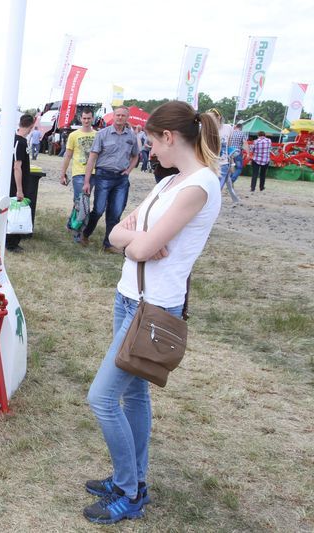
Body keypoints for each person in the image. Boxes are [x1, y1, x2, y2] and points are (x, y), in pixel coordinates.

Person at [84, 101, 222, 524]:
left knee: (102, 398)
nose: (149, 152)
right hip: (129, 296)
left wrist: (134, 239)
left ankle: (129, 490)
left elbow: (136, 243)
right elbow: (115, 233)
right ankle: (133, 481)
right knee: (132, 393)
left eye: (150, 142)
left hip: (154, 306)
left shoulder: (198, 186)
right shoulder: (169, 182)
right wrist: (134, 239)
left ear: (169, 137)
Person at [81, 107, 139, 253]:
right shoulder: (102, 134)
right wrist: (87, 182)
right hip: (103, 176)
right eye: (118, 115)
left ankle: (108, 244)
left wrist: (128, 171)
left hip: (121, 179)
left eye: (123, 115)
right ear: (113, 116)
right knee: (99, 210)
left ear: (127, 117)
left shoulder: (131, 136)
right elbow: (92, 158)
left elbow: (136, 156)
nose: (120, 118)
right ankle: (86, 233)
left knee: (116, 212)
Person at [60, 108, 96, 244]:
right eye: (84, 118)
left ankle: (70, 223)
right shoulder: (73, 135)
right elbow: (68, 155)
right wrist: (62, 173)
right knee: (81, 203)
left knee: (82, 202)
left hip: (93, 173)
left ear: (93, 119)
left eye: (89, 118)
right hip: (78, 173)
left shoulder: (98, 135)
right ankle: (77, 232)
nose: (86, 121)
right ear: (81, 119)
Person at [6, 114, 35, 253]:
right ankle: (11, 243)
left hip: (15, 181)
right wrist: (19, 189)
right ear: (31, 125)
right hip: (16, 182)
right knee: (15, 211)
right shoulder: (20, 142)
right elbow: (17, 166)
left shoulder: (17, 139)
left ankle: (11, 240)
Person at [208, 108, 240, 204]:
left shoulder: (228, 128)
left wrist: (232, 163)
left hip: (224, 163)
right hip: (210, 163)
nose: (209, 121)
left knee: (219, 187)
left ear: (219, 117)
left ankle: (213, 204)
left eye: (211, 118)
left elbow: (229, 145)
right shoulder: (207, 129)